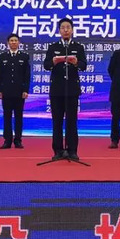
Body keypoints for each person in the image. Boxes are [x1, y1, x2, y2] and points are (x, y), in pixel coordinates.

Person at [43, 17, 88, 161]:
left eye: (68, 27)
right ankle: (58, 150)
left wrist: (76, 62)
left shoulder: (78, 47)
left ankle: (72, 150)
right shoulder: (53, 47)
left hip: (72, 90)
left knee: (71, 121)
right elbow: (46, 65)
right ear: (59, 31)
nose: (66, 30)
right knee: (57, 121)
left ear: (72, 30)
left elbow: (84, 65)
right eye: (63, 28)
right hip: (56, 89)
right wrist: (53, 61)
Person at [0, 33, 30, 149]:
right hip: (6, 92)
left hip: (19, 92)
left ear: (19, 43)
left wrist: (25, 90)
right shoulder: (2, 56)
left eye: (15, 40)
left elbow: (27, 75)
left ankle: (18, 140)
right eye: (11, 40)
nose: (13, 42)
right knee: (7, 117)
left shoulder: (24, 56)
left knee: (18, 117)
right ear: (8, 43)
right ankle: (7, 140)